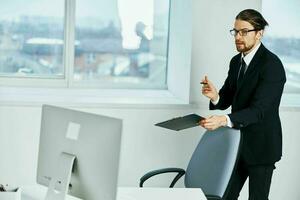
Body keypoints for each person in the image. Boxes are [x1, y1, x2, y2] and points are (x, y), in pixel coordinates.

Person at [200, 9, 286, 200]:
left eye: (244, 32)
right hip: (237, 146)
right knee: (225, 196)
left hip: (262, 147)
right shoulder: (235, 62)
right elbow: (228, 97)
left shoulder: (272, 65)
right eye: (235, 31)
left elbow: (259, 111)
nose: (238, 37)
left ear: (259, 33)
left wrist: (223, 120)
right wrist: (215, 97)